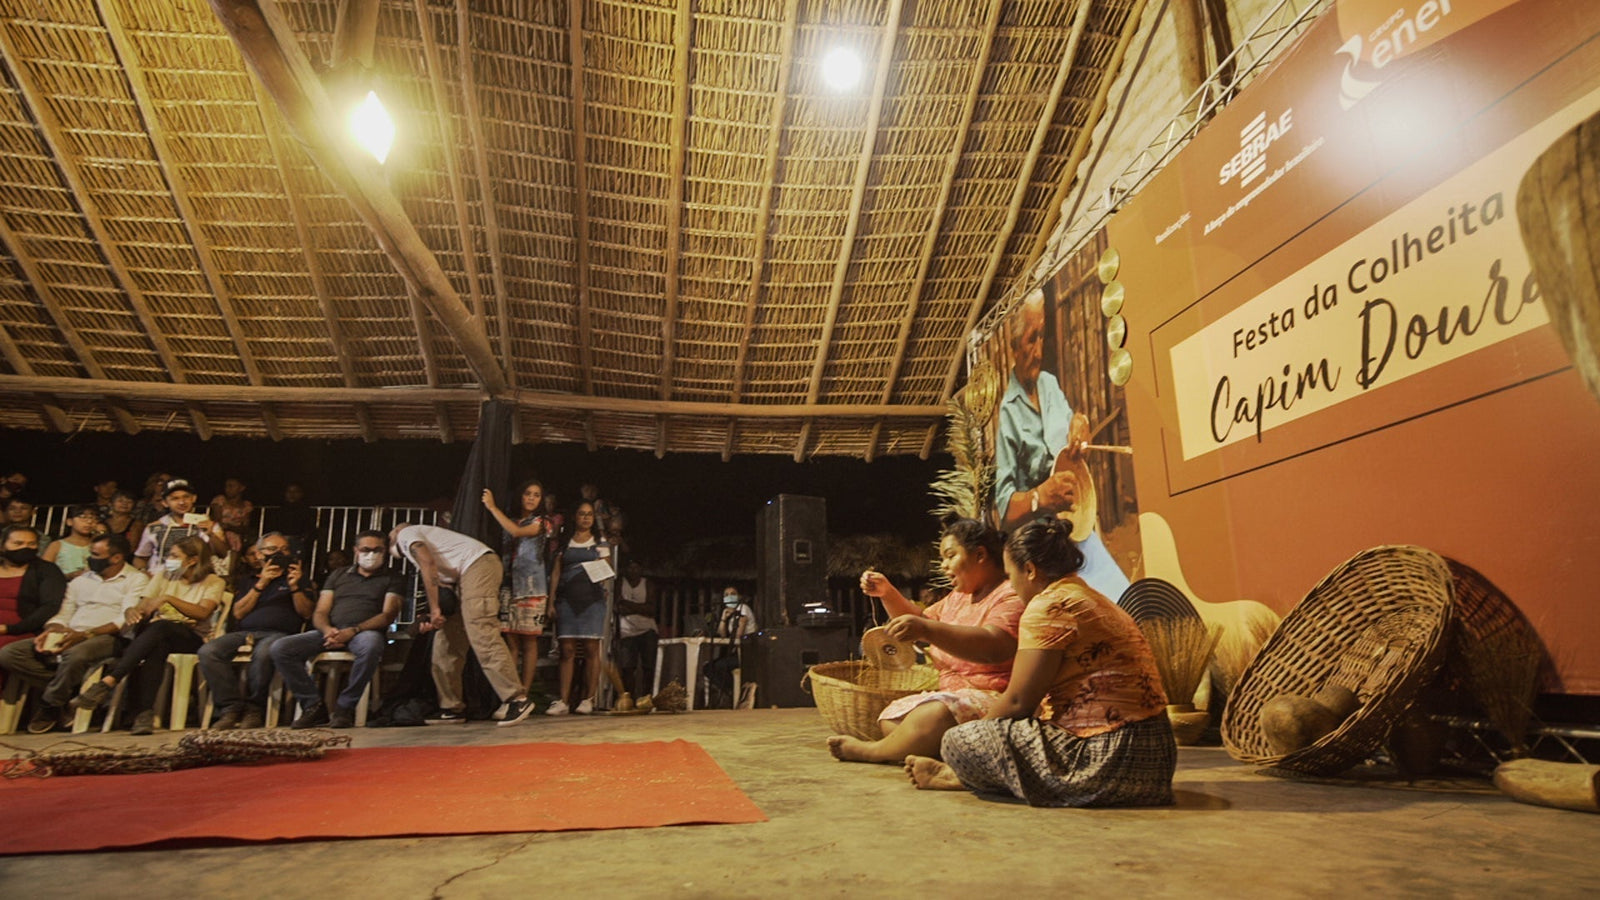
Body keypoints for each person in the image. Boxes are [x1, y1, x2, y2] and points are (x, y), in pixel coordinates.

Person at [906, 517, 1176, 807]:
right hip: (1155, 762)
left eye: (1011, 575)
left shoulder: (1047, 605)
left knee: (957, 742)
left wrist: (975, 738)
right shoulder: (1093, 597)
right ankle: (968, 775)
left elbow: (1018, 702)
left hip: (1106, 759)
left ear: (1030, 571)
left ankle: (957, 774)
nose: (1011, 584)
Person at [827, 514, 1021, 764]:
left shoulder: (1009, 594)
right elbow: (919, 620)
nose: (944, 565)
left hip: (995, 698)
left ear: (980, 555)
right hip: (954, 697)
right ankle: (949, 752)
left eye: (950, 556)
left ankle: (874, 752)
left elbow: (994, 644)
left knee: (932, 716)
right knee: (892, 718)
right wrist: (887, 593)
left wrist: (927, 629)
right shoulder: (958, 597)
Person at [993, 290, 1130, 600]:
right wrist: (1039, 497)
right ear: (1014, 347)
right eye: (1031, 340)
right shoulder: (1008, 411)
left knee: (1121, 598)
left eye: (1042, 338)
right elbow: (1003, 508)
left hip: (1077, 527)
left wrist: (1079, 425)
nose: (1039, 351)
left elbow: (1070, 434)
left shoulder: (1049, 385)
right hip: (1044, 547)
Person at [71, 536, 224, 734]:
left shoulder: (213, 581)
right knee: (157, 645)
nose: (169, 559)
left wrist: (168, 598)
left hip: (191, 637)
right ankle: (144, 714)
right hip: (158, 636)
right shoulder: (164, 576)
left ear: (192, 560)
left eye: (174, 555)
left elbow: (203, 612)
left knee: (161, 627)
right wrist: (132, 612)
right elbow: (144, 606)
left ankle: (111, 680)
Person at [389, 522, 536, 726]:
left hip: (477, 566)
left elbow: (427, 564)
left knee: (481, 632)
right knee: (446, 644)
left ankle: (517, 699)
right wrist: (434, 615)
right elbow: (440, 585)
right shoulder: (432, 542)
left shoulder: (405, 534)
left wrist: (434, 610)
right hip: (463, 577)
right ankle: (451, 707)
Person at [0, 534, 148, 733]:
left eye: (95, 554)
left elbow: (125, 620)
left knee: (75, 654)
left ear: (116, 558)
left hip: (108, 636)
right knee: (10, 653)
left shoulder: (135, 579)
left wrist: (86, 634)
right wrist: (54, 628)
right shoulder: (82, 580)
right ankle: (70, 693)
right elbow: (64, 612)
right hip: (71, 633)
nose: (90, 558)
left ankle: (50, 705)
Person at [271, 531, 403, 729]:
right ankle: (313, 705)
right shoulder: (338, 575)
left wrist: (354, 630)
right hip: (329, 631)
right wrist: (328, 631)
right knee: (281, 648)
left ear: (385, 552)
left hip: (363, 632)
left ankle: (345, 708)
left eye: (378, 550)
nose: (371, 554)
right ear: (356, 551)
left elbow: (387, 615)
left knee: (371, 645)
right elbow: (321, 610)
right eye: (366, 550)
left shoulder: (393, 577)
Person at [200, 532, 314, 730]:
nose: (279, 554)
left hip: (280, 635)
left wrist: (295, 587)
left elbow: (306, 613)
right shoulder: (248, 580)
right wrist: (262, 584)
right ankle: (230, 707)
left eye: (284, 550)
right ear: (259, 555)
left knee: (264, 653)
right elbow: (238, 613)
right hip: (245, 633)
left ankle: (255, 708)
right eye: (272, 550)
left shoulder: (299, 578)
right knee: (209, 651)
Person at [482, 480, 552, 694]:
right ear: (519, 495)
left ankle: (525, 690)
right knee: (511, 642)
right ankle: (512, 692)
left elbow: (516, 532)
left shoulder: (542, 522)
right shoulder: (510, 519)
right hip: (508, 585)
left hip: (530, 587)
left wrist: (493, 507)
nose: (531, 498)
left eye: (536, 495)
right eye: (527, 493)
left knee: (529, 642)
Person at [546, 501, 612, 716]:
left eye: (589, 515)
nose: (585, 518)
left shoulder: (600, 542)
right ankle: (563, 700)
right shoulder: (564, 542)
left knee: (592, 650)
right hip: (566, 600)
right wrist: (551, 601)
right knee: (566, 651)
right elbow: (556, 572)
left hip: (592, 601)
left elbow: (607, 566)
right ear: (574, 516)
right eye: (582, 514)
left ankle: (588, 699)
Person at [134, 478, 228, 569]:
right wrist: (143, 573)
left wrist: (211, 535)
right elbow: (141, 558)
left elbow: (224, 554)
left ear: (194, 498)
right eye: (175, 498)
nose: (182, 502)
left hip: (194, 580)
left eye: (186, 497)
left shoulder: (208, 525)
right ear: (165, 502)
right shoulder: (153, 527)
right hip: (159, 579)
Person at [0, 525, 66, 653]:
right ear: (3, 545)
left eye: (31, 544)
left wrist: (8, 629)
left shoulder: (47, 570)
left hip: (22, 630)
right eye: (18, 543)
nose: (25, 548)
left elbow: (50, 607)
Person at [614, 559, 657, 700]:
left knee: (648, 666)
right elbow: (618, 608)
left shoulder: (647, 584)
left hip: (647, 629)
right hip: (626, 630)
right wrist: (640, 607)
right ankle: (629, 698)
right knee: (627, 667)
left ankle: (646, 696)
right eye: (630, 568)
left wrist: (627, 603)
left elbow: (651, 609)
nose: (633, 571)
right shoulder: (621, 583)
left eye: (636, 568)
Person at [41, 505, 101, 581]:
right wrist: (67, 576)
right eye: (83, 517)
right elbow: (43, 572)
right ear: (69, 522)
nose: (89, 522)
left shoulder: (99, 545)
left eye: (94, 518)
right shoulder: (56, 545)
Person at [209, 477, 255, 555]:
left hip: (237, 538)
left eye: (231, 486)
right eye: (226, 486)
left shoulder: (247, 505)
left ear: (241, 488)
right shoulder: (220, 500)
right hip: (220, 535)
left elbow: (245, 527)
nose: (227, 489)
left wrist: (230, 527)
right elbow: (217, 521)